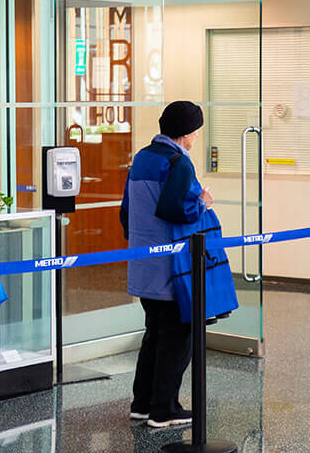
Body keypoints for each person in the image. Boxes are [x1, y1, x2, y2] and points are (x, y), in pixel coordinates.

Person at [119, 100, 215, 428]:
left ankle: (142, 404)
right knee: (178, 336)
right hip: (171, 268)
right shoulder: (179, 162)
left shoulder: (143, 157)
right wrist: (203, 203)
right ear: (187, 133)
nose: (196, 137)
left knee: (154, 334)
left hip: (143, 263)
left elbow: (126, 212)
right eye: (196, 131)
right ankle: (164, 409)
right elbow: (177, 210)